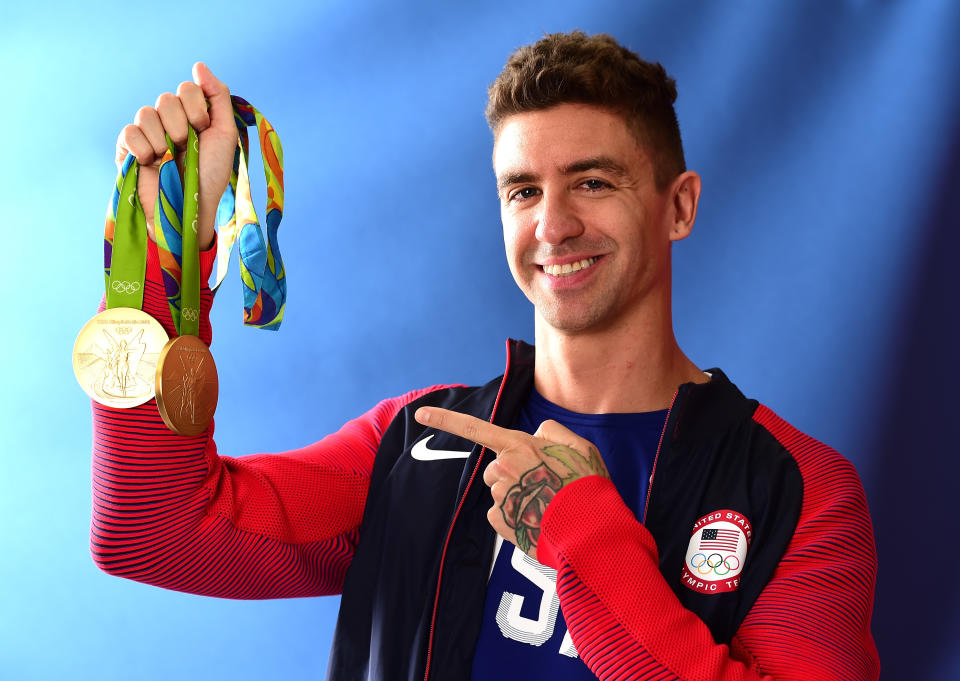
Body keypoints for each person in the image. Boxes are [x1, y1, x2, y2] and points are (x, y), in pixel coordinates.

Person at [92, 31, 880, 680]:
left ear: (679, 206)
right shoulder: (419, 439)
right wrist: (167, 250)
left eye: (593, 182)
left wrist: (586, 534)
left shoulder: (799, 489)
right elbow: (153, 529)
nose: (554, 225)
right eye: (523, 191)